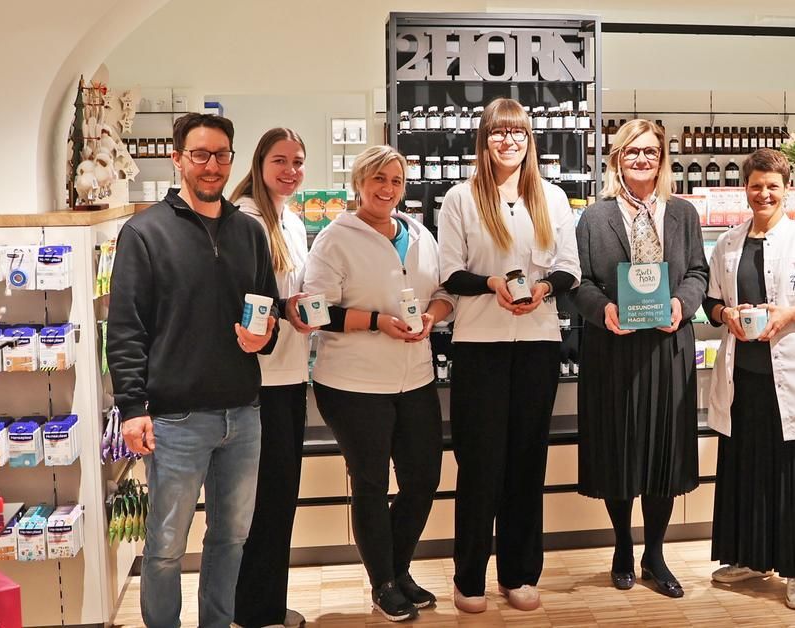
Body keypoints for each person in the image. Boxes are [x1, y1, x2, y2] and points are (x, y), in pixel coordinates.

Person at [107, 113, 280, 628]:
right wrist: (133, 409)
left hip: (243, 414)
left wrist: (263, 334)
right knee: (164, 547)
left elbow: (266, 305)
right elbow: (126, 328)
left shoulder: (250, 232)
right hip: (176, 419)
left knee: (231, 538)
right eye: (200, 155)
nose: (212, 165)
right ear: (177, 158)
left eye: (221, 155)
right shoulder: (143, 233)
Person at [438, 97, 581, 613]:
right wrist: (492, 283)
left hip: (539, 343)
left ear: (529, 140)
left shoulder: (553, 197)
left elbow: (570, 267)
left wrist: (543, 289)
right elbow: (450, 272)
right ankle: (469, 577)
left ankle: (519, 573)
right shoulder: (459, 199)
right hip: (480, 346)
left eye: (517, 133)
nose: (508, 142)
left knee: (526, 462)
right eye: (498, 133)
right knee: (479, 464)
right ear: (484, 140)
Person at [302, 145, 454, 622]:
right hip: (353, 384)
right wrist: (376, 322)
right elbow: (315, 310)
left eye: (395, 180)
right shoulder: (334, 239)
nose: (387, 189)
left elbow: (444, 292)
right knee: (370, 483)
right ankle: (383, 583)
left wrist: (432, 315)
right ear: (359, 184)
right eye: (378, 180)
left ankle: (399, 568)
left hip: (415, 378)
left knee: (423, 478)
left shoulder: (420, 234)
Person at [702, 148, 795, 610]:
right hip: (743, 377)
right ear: (745, 189)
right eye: (756, 185)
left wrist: (793, 313)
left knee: (791, 474)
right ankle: (749, 557)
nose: (763, 193)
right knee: (743, 469)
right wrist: (725, 313)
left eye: (772, 186)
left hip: (792, 376)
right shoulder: (728, 243)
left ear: (786, 190)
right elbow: (710, 302)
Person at [571, 119, 708, 598]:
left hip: (666, 347)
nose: (642, 160)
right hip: (613, 348)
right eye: (633, 152)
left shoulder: (682, 214)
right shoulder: (593, 217)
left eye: (651, 152)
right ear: (616, 158)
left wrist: (682, 304)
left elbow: (697, 271)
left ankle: (656, 552)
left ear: (663, 158)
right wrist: (604, 310)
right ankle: (623, 546)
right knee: (619, 446)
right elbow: (579, 283)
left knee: (663, 449)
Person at [230, 128, 310, 628]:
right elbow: (243, 299)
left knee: (280, 497)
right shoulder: (245, 220)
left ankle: (266, 605)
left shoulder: (293, 220)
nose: (291, 170)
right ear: (260, 164)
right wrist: (287, 309)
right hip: (259, 379)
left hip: (291, 372)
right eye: (280, 160)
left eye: (298, 162)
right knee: (261, 501)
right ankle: (252, 611)